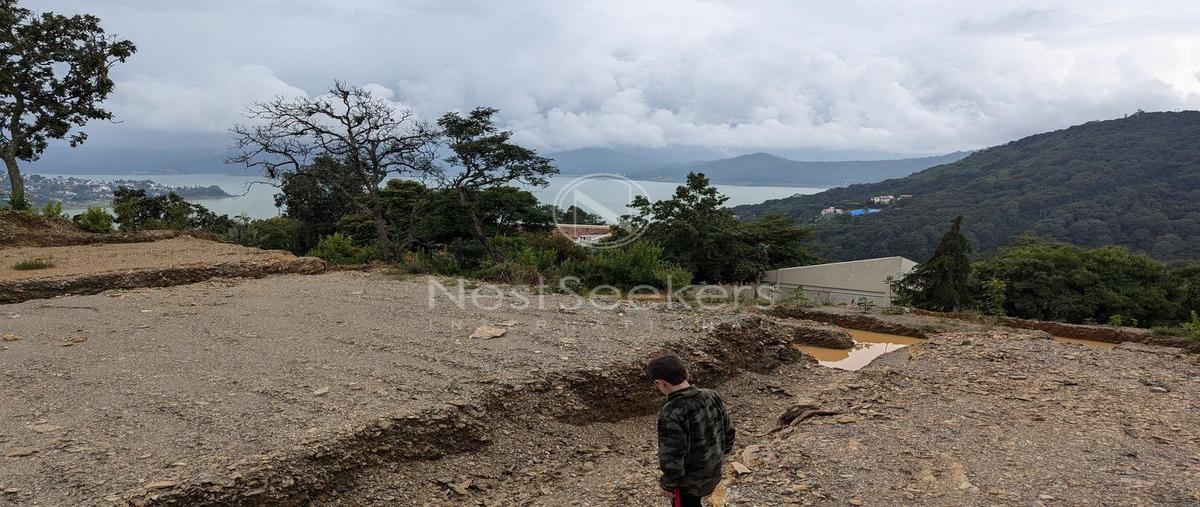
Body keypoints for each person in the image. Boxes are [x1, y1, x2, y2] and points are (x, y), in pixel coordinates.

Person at [646, 354, 734, 507]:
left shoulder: (671, 412)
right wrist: (717, 457)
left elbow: (672, 456)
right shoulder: (711, 395)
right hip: (714, 472)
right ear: (686, 373)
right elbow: (729, 431)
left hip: (689, 485)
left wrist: (668, 485)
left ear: (660, 383)